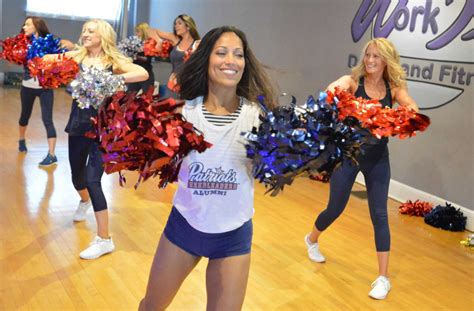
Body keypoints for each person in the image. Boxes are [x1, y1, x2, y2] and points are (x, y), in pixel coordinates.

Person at [139, 26, 276, 311]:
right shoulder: (183, 113)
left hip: (233, 237)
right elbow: (151, 163)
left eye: (238, 55)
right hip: (184, 229)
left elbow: (273, 167)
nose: (231, 61)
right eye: (222, 53)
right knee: (151, 306)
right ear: (206, 59)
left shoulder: (258, 117)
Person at [304, 38, 419, 300]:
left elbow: (412, 107)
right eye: (368, 55)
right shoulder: (353, 82)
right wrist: (334, 93)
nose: (370, 60)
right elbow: (333, 88)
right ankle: (311, 239)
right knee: (335, 208)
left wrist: (399, 117)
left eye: (376, 57)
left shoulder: (394, 87)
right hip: (349, 156)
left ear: (387, 60)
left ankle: (383, 278)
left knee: (380, 214)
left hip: (378, 158)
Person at [48, 19, 148, 259]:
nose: (85, 34)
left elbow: (142, 72)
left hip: (104, 128)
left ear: (103, 35)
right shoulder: (78, 57)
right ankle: (84, 201)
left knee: (93, 180)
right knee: (76, 176)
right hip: (78, 124)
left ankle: (104, 239)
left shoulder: (113, 61)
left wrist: (113, 79)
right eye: (84, 31)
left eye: (90, 31)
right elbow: (50, 61)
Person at [19, 17, 58, 166]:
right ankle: (22, 139)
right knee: (25, 116)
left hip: (45, 88)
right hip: (27, 87)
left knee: (47, 119)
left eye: (28, 24)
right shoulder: (22, 44)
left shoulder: (50, 43)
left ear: (36, 27)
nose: (24, 27)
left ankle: (52, 154)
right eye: (24, 24)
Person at [147, 14, 200, 98]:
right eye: (175, 24)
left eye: (179, 23)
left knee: (187, 109)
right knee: (170, 108)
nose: (176, 26)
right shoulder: (175, 39)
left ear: (188, 26)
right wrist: (159, 41)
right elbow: (150, 31)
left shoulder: (197, 44)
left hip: (190, 84)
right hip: (173, 84)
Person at [127, 22, 155, 94]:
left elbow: (147, 59)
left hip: (146, 74)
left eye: (138, 32)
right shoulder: (133, 43)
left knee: (146, 99)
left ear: (143, 32)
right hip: (135, 73)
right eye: (135, 32)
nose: (136, 34)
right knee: (128, 96)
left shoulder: (149, 44)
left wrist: (136, 56)